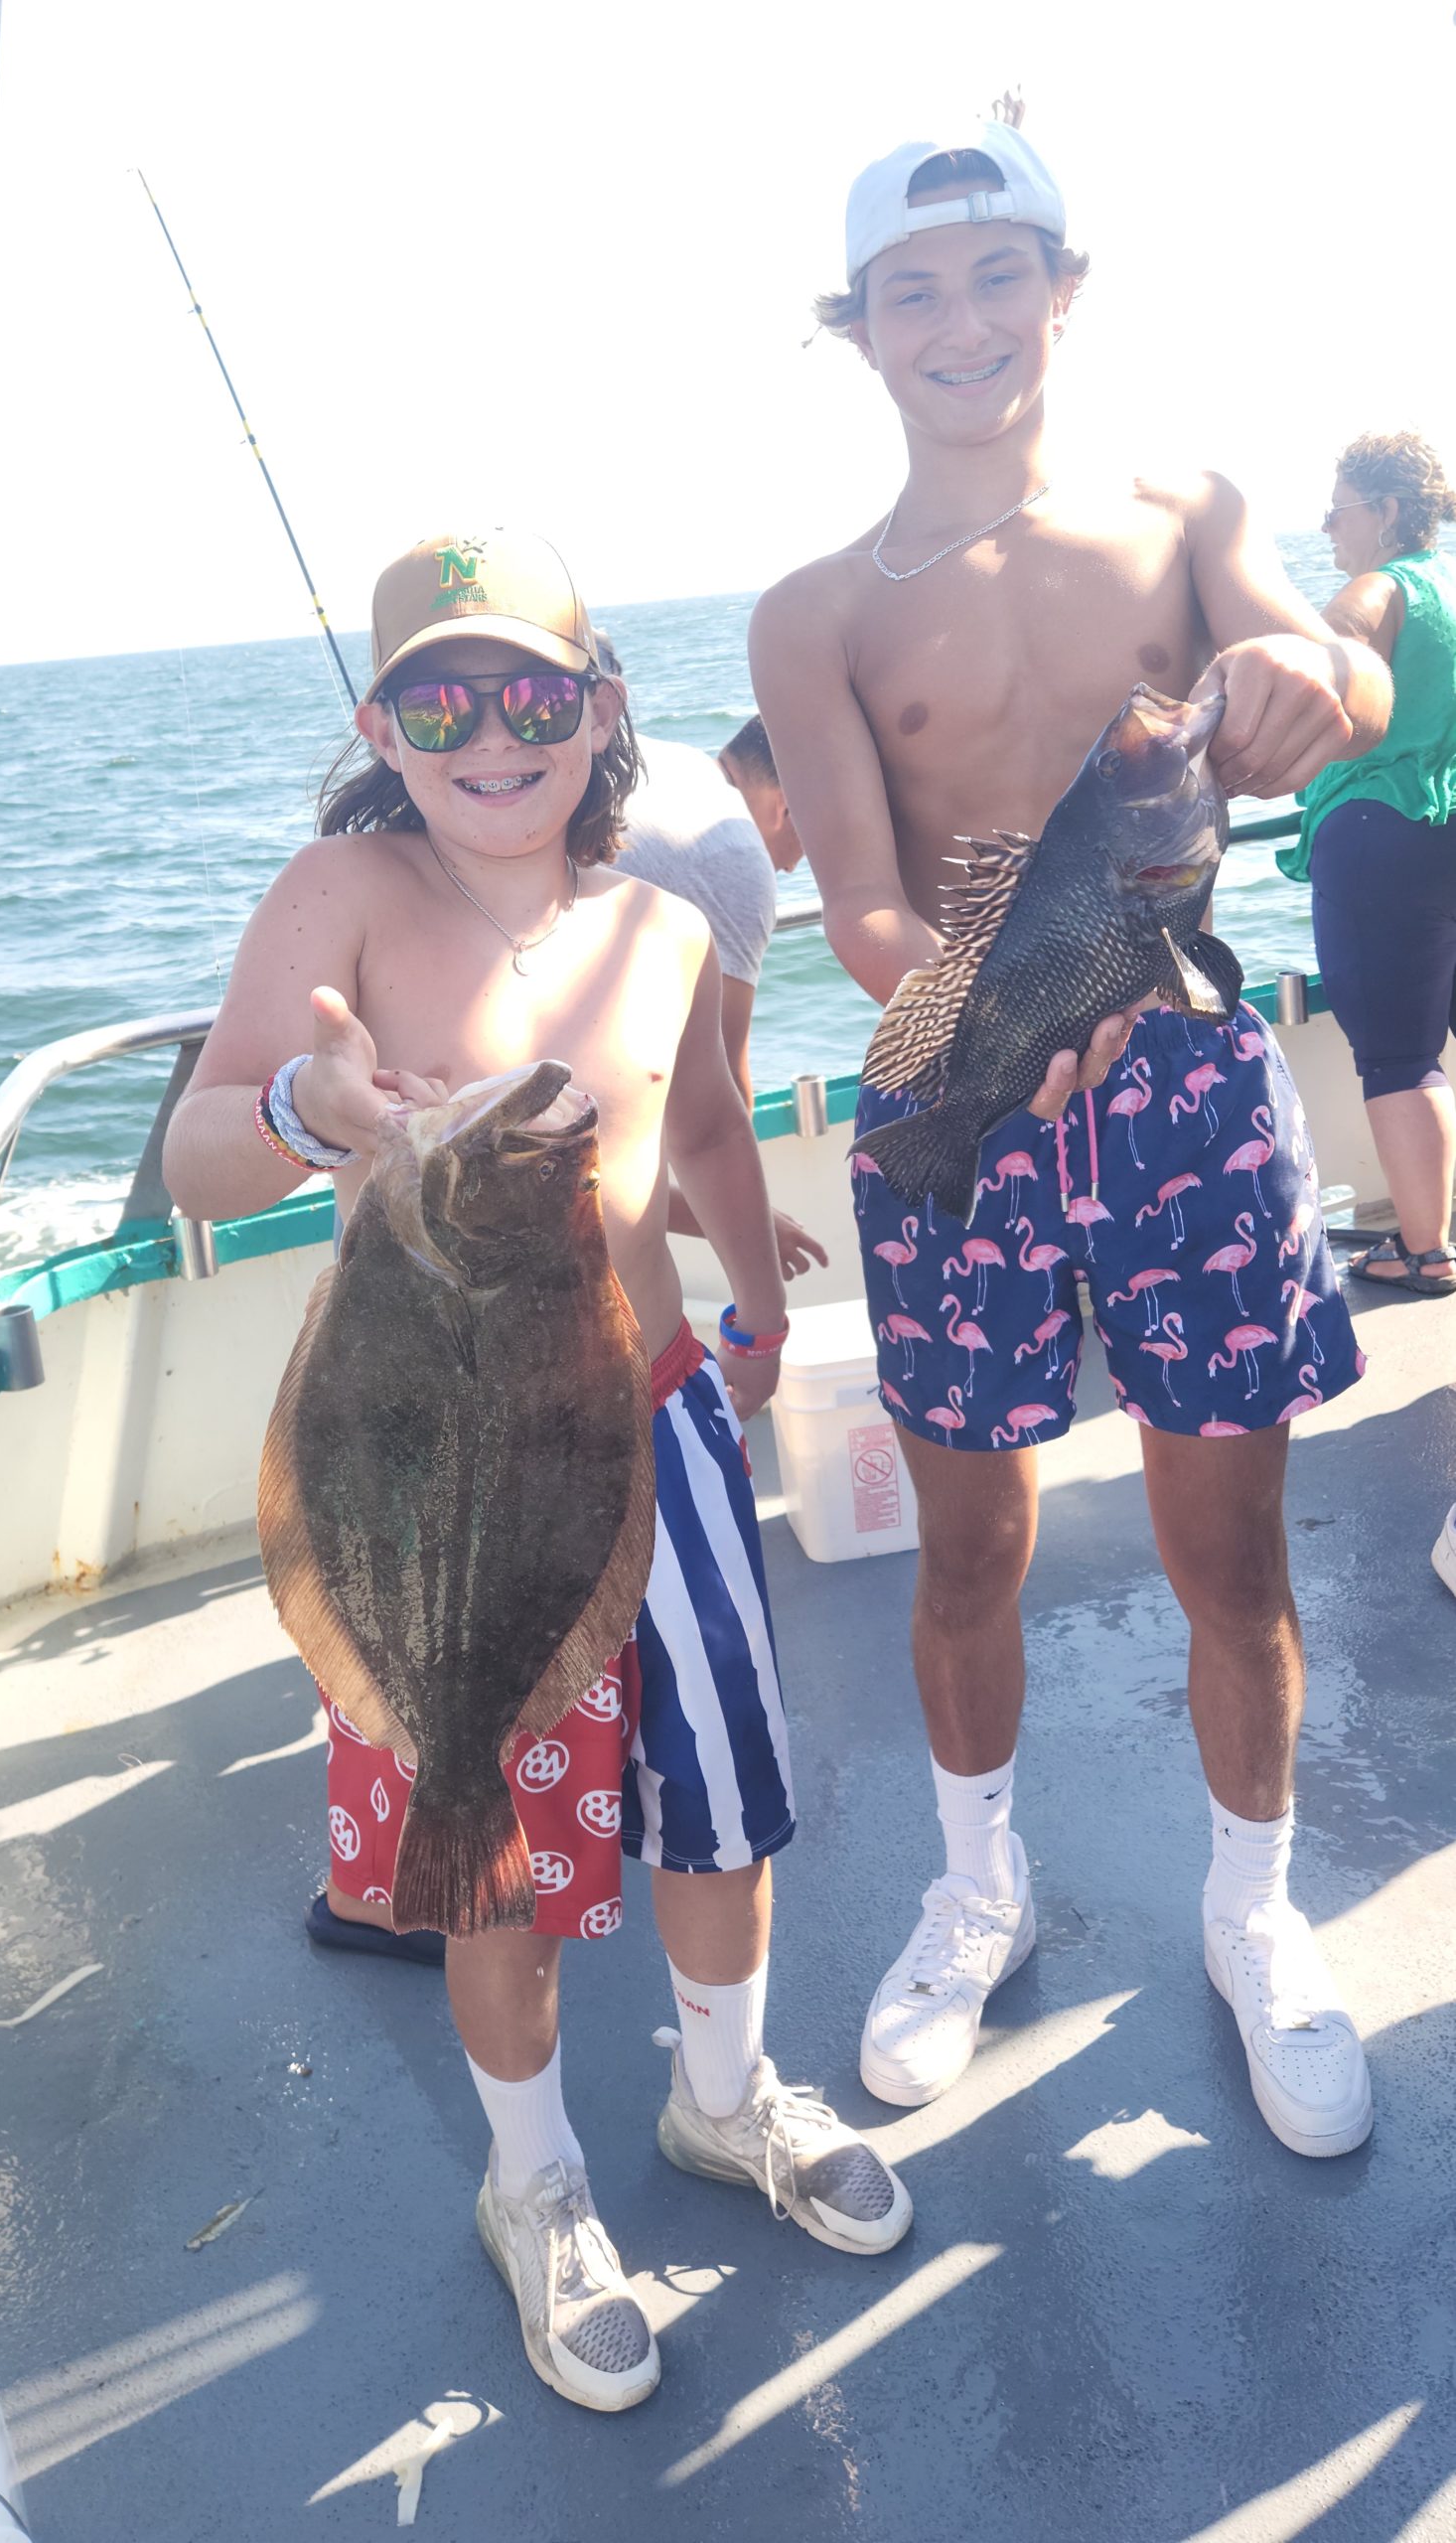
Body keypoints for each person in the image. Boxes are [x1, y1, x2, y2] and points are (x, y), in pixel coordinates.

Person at [164, 528, 910, 2416]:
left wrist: (751, 1304)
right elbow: (195, 1157)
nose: (490, 738)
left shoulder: (664, 924)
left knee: (722, 1806)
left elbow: (714, 1136)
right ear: (382, 723)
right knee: (487, 1848)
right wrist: (298, 1106)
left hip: (651, 1417)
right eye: (442, 699)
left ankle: (719, 2097)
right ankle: (535, 2187)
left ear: (598, 715)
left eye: (533, 697)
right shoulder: (343, 890)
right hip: (428, 1465)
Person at [750, 117, 1391, 2161]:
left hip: (1195, 1070)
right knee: (966, 1545)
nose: (963, 323)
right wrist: (986, 1013)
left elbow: (1344, 674)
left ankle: (1253, 1915)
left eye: (997, 273)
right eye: (914, 293)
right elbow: (856, 894)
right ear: (860, 334)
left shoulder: (1182, 507)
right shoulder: (815, 607)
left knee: (1231, 1552)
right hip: (960, 1074)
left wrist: (1309, 665)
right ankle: (975, 1891)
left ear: (1065, 288)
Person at [1276, 431, 1456, 1296]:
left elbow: (1318, 660)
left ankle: (1423, 1251)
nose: (1326, 528)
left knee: (1398, 1056)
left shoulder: (1381, 586)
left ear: (1385, 512)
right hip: (1448, 823)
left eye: (1339, 509)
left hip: (1381, 832)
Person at [598, 635, 824, 1276]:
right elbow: (723, 1094)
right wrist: (748, 1235)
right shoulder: (735, 853)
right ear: (786, 806)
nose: (798, 863)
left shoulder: (668, 764)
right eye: (813, 841)